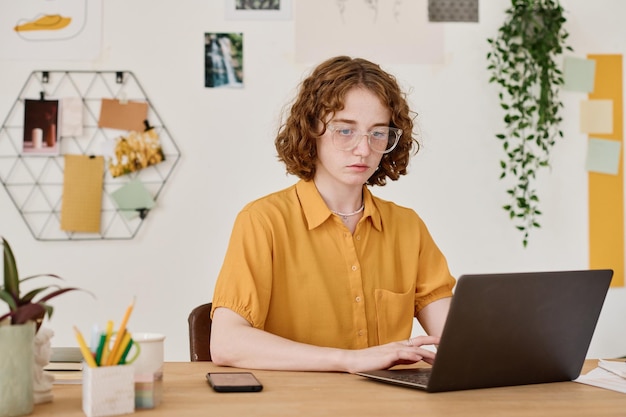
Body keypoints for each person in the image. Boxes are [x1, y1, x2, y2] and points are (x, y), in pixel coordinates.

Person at [210, 56, 456, 373]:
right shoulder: (263, 221)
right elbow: (226, 343)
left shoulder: (408, 227)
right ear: (311, 129)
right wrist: (349, 360)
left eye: (378, 133)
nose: (364, 150)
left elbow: (454, 337)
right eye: (345, 131)